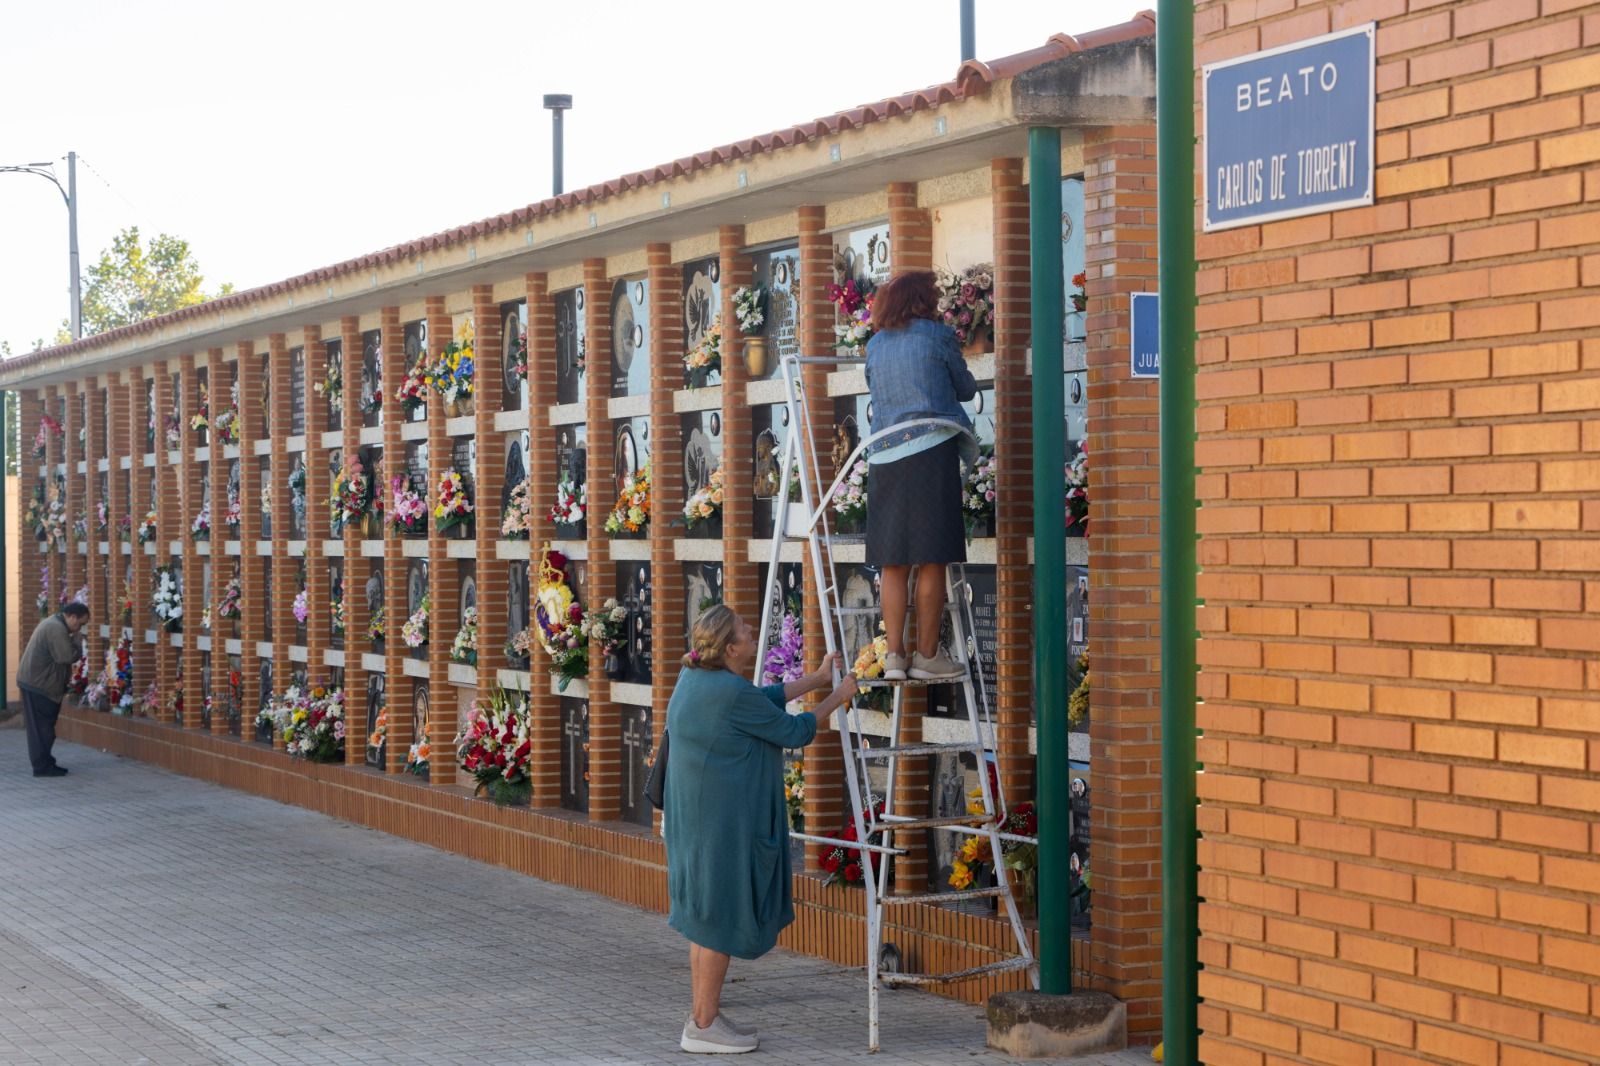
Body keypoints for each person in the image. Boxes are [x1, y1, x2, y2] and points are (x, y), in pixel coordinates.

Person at [665, 605, 857, 1054]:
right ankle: (704, 1025)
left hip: (695, 820)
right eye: (745, 632)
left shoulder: (695, 678)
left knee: (704, 920)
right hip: (722, 826)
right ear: (731, 649)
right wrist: (839, 694)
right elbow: (794, 731)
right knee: (721, 922)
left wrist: (813, 679)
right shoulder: (730, 693)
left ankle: (701, 1016)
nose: (753, 633)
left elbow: (762, 699)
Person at [863, 269, 978, 681]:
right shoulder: (937, 335)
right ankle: (927, 656)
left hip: (885, 457)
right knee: (931, 559)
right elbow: (964, 388)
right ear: (922, 300)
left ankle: (893, 656)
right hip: (931, 452)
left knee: (892, 562)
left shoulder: (875, 345)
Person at [18, 601, 89, 777]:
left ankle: (45, 762)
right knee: (42, 729)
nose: (79, 629)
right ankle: (42, 767)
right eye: (80, 624)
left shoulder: (54, 623)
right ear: (72, 616)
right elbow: (65, 656)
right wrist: (78, 645)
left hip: (38, 683)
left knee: (43, 727)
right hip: (39, 685)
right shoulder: (56, 629)